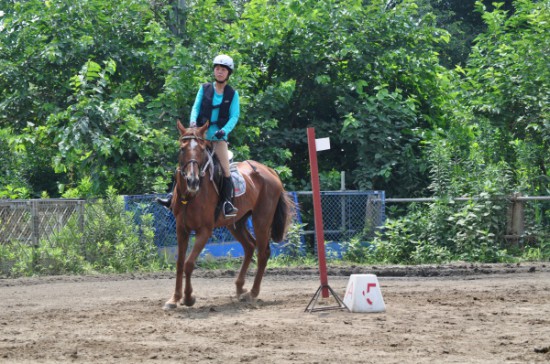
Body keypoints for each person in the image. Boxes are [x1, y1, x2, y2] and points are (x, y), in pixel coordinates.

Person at [158, 55, 240, 218]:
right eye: (217, 68)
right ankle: (171, 197)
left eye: (223, 70)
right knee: (184, 162)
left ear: (228, 73)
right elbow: (195, 107)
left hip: (218, 140)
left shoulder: (233, 94)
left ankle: (226, 203)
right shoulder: (204, 88)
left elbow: (234, 116)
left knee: (225, 170)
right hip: (200, 136)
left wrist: (224, 130)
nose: (219, 72)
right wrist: (193, 121)